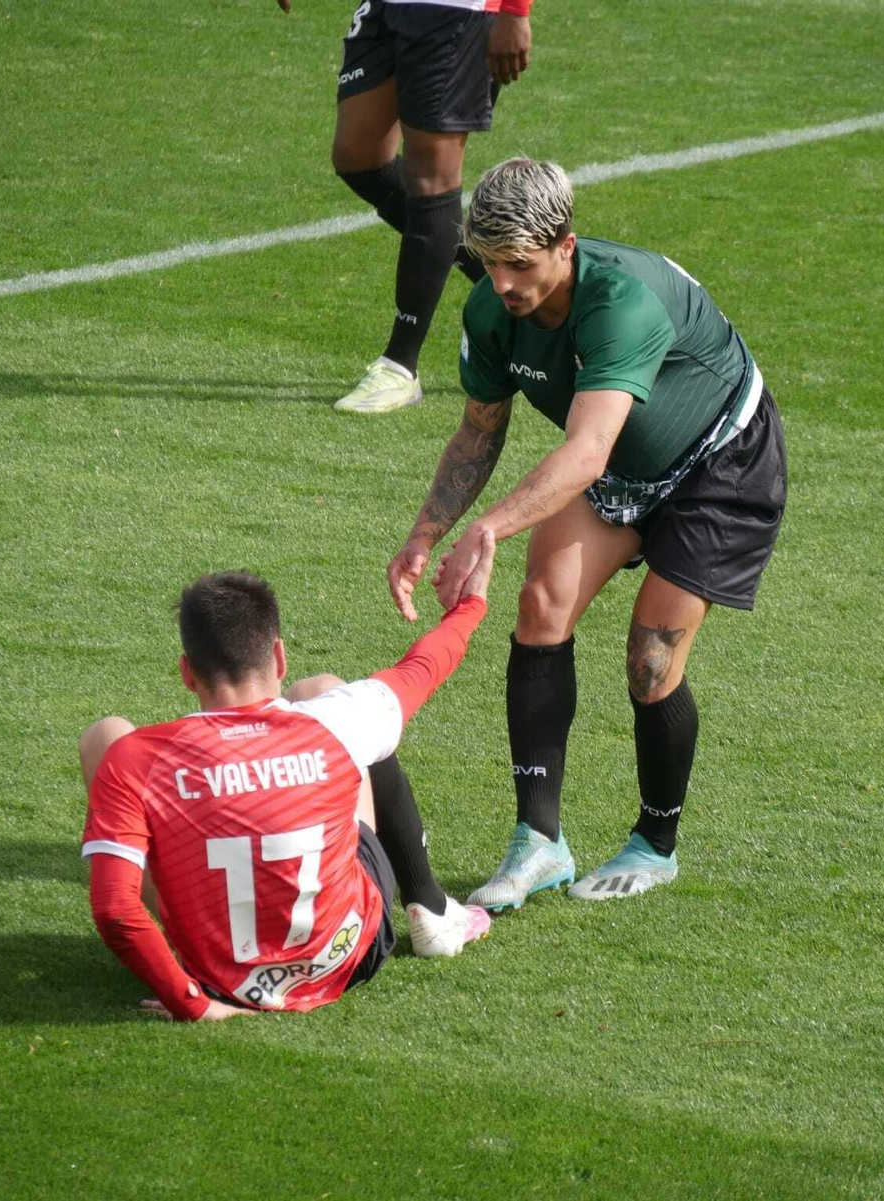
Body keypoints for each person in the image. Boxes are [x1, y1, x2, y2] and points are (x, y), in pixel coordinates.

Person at [385, 158, 787, 909]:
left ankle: (655, 843)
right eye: (491, 263)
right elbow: (479, 430)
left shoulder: (620, 303)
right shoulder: (490, 310)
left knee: (650, 655)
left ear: (565, 245)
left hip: (717, 465)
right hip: (617, 465)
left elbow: (587, 451)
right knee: (541, 604)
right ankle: (540, 841)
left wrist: (492, 527)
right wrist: (426, 533)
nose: (502, 283)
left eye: (520, 265)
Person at [79, 531, 496, 1021]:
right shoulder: (336, 721)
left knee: (103, 736)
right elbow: (429, 661)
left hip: (216, 977)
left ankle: (190, 948)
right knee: (328, 693)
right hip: (347, 956)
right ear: (277, 657)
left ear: (187, 674)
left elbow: (114, 908)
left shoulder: (138, 757)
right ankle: (431, 908)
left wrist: (193, 1005)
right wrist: (471, 603)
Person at [274, 0, 535, 414]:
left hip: (458, 10)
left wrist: (514, 12)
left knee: (432, 176)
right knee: (358, 157)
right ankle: (511, 276)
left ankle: (400, 366)